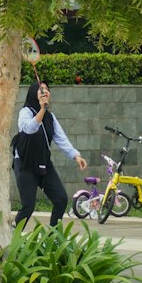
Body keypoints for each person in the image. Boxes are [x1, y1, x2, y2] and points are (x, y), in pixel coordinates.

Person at [12, 79, 87, 227]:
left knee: (61, 199)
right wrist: (41, 110)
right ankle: (13, 234)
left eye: (47, 89)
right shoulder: (25, 112)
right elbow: (29, 128)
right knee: (28, 206)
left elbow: (61, 138)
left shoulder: (50, 117)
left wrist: (76, 155)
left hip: (43, 163)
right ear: (34, 93)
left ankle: (54, 237)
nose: (44, 91)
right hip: (25, 163)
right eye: (41, 89)